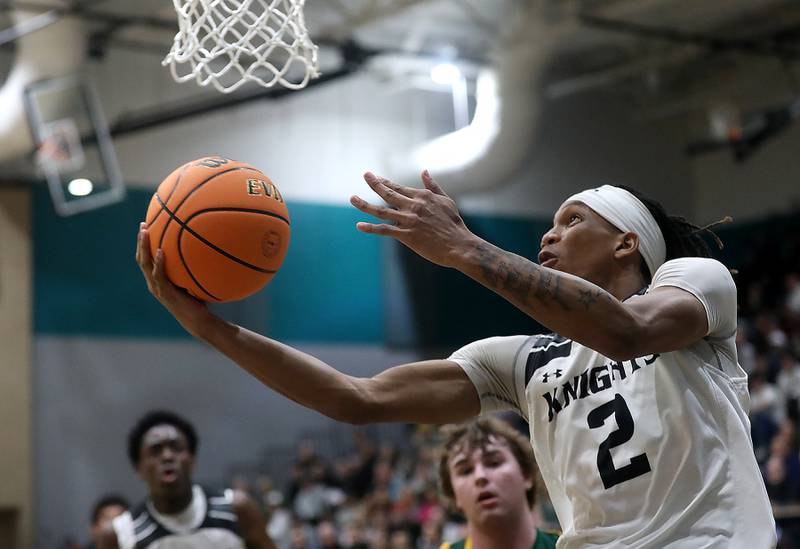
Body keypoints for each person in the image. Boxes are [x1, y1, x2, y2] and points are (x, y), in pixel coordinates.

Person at [137, 171, 776, 547]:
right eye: (548, 224)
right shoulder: (523, 362)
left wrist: (466, 248)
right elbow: (353, 399)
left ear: (626, 240)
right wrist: (206, 326)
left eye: (572, 220)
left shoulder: (697, 282)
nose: (548, 234)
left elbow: (627, 333)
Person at [97, 410, 274, 549]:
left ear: (192, 460)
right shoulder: (119, 535)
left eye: (176, 447)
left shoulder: (237, 508)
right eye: (156, 450)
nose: (167, 456)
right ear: (139, 468)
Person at [437, 417, 558, 549]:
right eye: (466, 471)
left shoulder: (572, 545)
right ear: (454, 496)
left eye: (494, 463)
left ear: (526, 475)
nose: (480, 476)